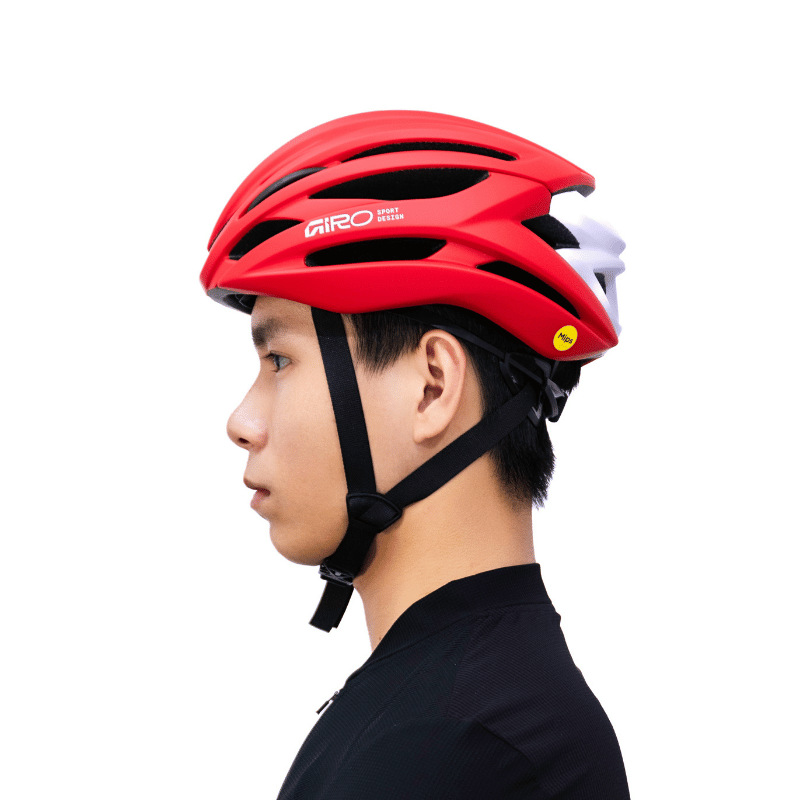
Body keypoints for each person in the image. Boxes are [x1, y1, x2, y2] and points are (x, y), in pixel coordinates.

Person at [200, 110, 631, 799]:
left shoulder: (453, 743)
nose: (242, 423)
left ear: (432, 386)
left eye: (279, 359)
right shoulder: (465, 710)